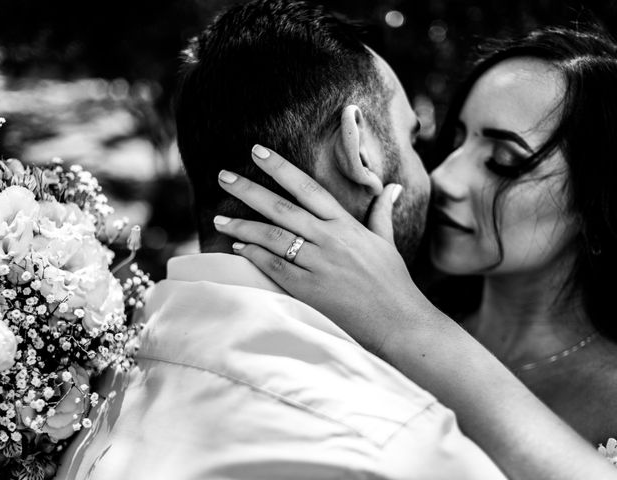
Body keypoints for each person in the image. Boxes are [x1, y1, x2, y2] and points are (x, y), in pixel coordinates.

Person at [54, 1, 506, 478]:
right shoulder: (390, 441)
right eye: (413, 140)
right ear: (360, 153)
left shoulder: (100, 390)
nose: (435, 174)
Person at [215, 26, 617, 479]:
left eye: (503, 160)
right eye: (457, 140)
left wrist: (406, 322)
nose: (444, 178)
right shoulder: (352, 319)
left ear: (596, 202)